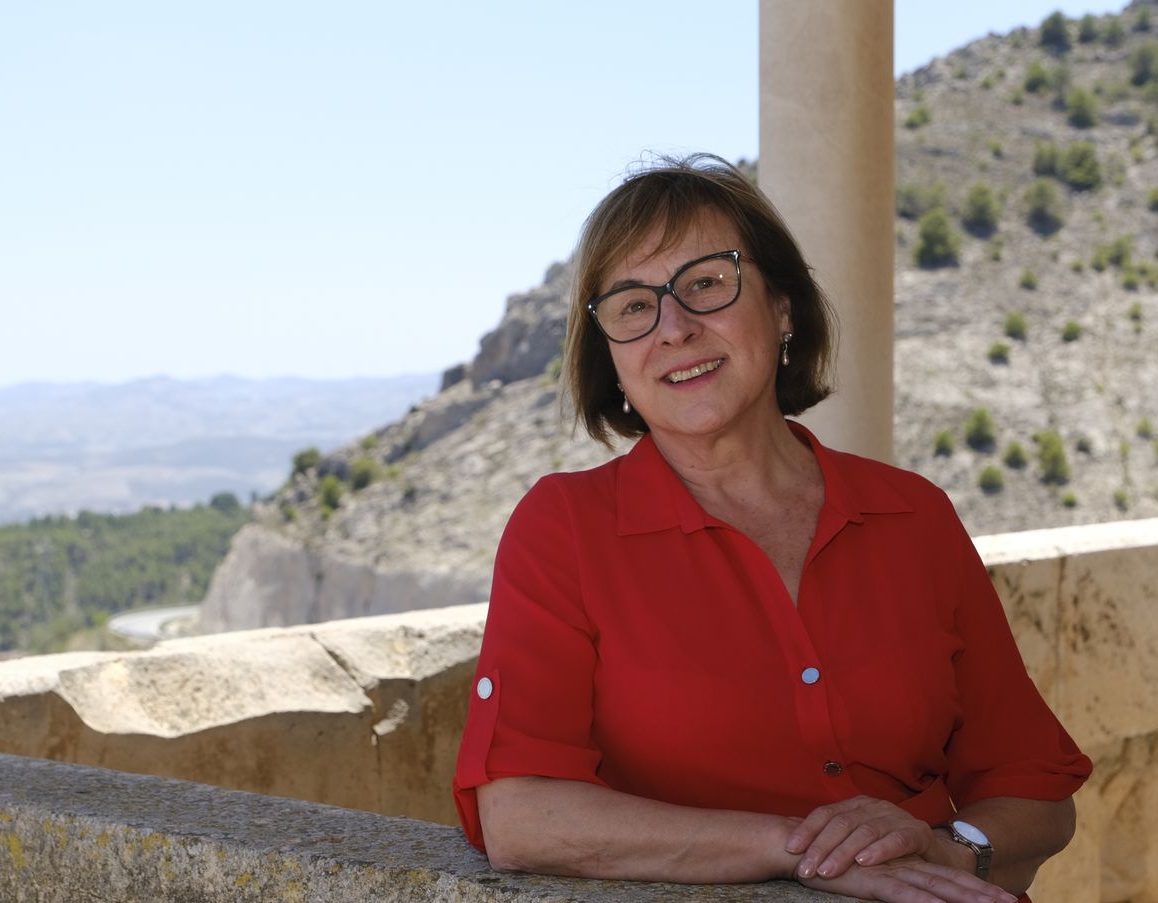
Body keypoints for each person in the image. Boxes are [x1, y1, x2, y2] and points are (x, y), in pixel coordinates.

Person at [452, 155, 1091, 903]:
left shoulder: (914, 515)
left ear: (783, 306)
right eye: (632, 306)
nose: (676, 329)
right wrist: (806, 849)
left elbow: (1038, 790)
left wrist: (951, 853)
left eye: (707, 284)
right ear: (612, 359)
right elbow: (523, 816)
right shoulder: (563, 529)